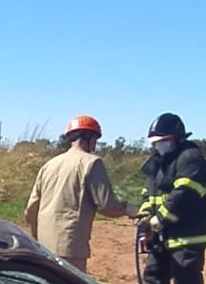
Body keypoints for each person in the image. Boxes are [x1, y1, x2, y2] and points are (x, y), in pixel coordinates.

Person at [24, 114, 133, 273]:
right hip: (70, 247)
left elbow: (31, 209)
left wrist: (35, 239)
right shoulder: (92, 163)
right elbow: (107, 205)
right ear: (89, 138)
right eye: (95, 140)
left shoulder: (49, 165)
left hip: (43, 245)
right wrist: (128, 209)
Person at [135, 112, 206, 284]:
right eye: (155, 142)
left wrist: (159, 220)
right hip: (161, 236)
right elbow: (149, 193)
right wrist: (145, 218)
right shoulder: (159, 162)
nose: (158, 145)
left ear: (176, 138)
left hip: (187, 237)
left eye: (163, 140)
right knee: (152, 281)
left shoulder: (191, 158)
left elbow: (183, 195)